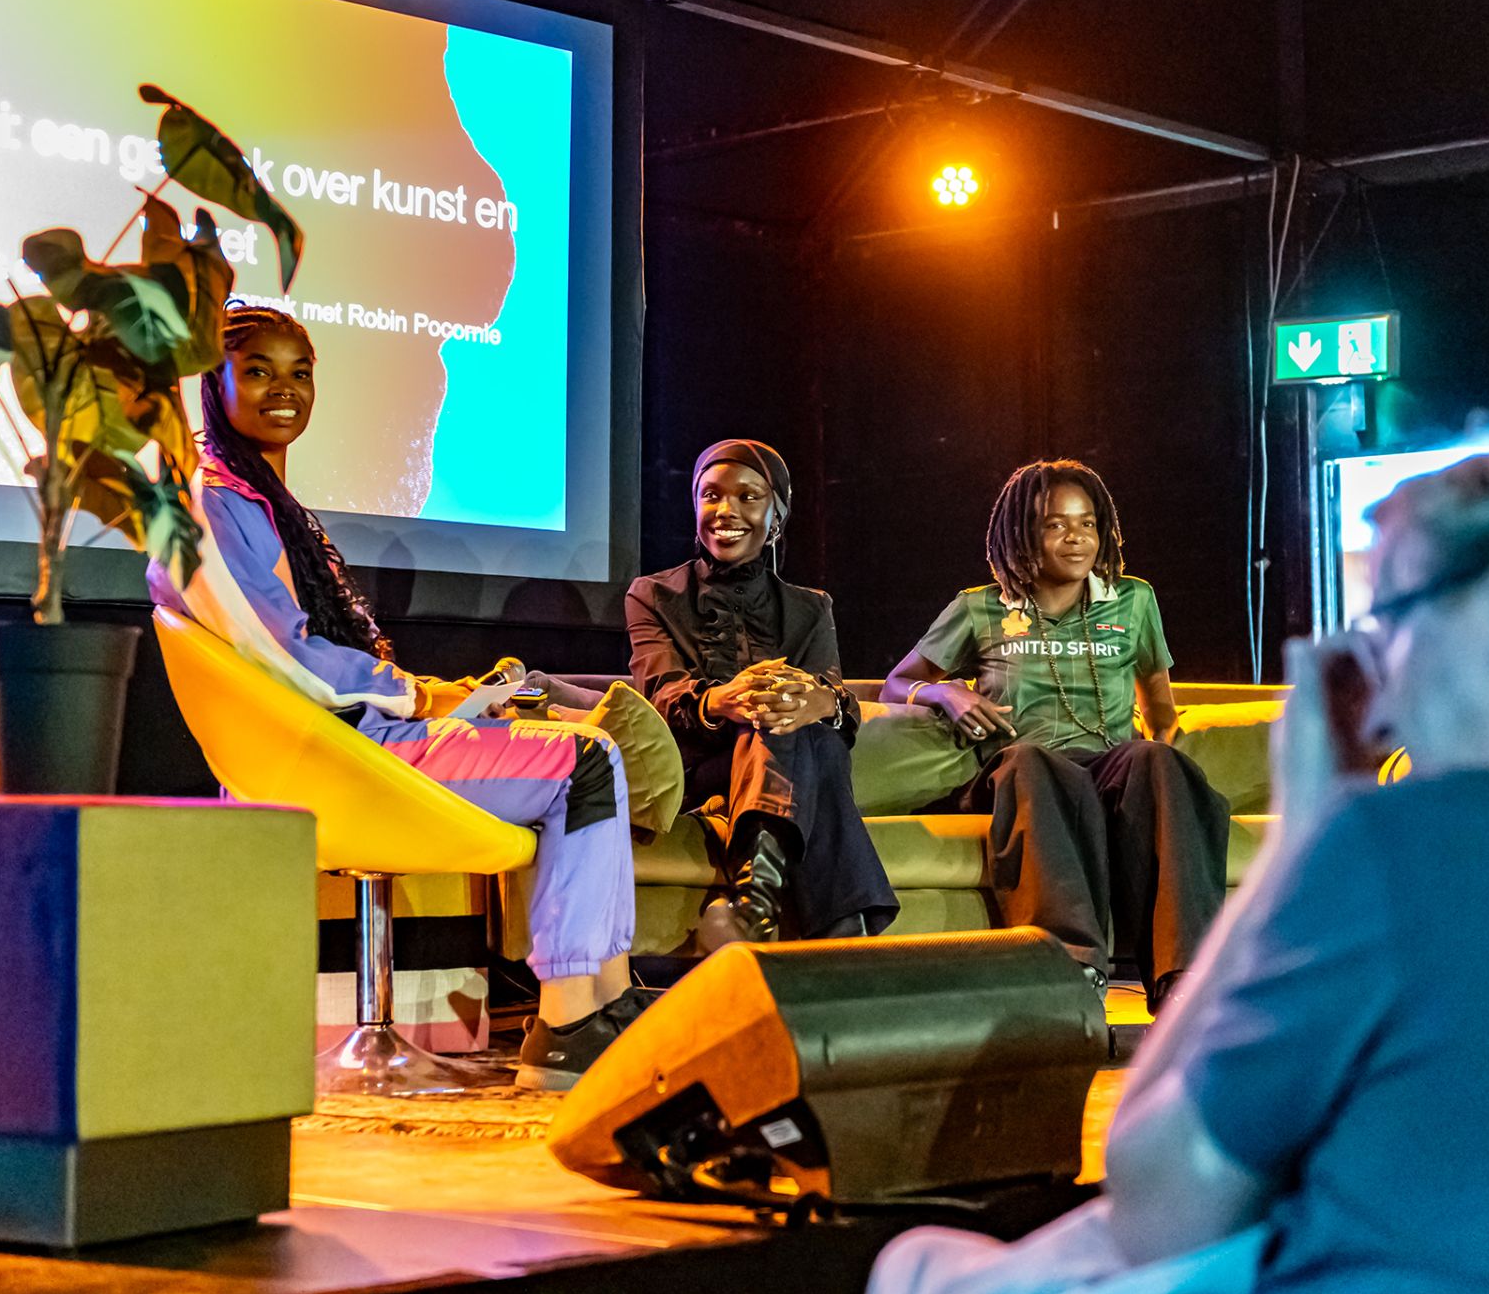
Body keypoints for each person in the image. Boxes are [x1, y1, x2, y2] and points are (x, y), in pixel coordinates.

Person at [873, 415, 1489, 1294]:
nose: (1384, 693)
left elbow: (1152, 1199)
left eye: (1393, 618)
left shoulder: (1407, 846)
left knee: (914, 1261)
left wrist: (1308, 839)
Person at [147, 304, 643, 1091]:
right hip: (342, 754)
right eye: (259, 371)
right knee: (585, 761)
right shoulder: (210, 500)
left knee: (588, 747)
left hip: (355, 740)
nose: (285, 389)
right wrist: (416, 695)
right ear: (214, 383)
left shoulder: (254, 496)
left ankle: (603, 997)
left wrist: (438, 696)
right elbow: (279, 652)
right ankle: (571, 1015)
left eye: (300, 372)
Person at [882, 459, 1228, 1007]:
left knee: (1157, 761)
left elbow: (1160, 712)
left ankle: (1187, 982)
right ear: (1022, 534)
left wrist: (1156, 788)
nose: (1077, 538)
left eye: (1087, 523)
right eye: (1055, 524)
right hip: (1020, 773)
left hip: (1108, 769)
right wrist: (946, 694)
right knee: (1032, 760)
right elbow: (897, 684)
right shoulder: (980, 607)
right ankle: (1070, 970)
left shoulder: (1133, 600)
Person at [625, 439, 897, 948]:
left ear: (777, 515)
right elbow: (662, 693)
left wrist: (816, 701)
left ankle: (755, 905)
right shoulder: (653, 594)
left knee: (799, 728)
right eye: (711, 495)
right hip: (700, 767)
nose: (726, 510)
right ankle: (844, 932)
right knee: (786, 727)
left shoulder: (811, 607)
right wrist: (725, 700)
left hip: (793, 762)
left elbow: (834, 697)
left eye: (748, 497)